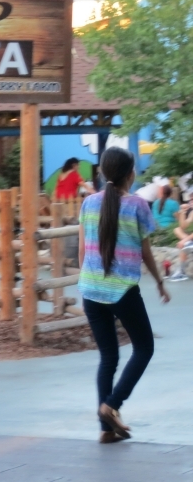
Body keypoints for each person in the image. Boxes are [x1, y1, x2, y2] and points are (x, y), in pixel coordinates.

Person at [78, 146, 168, 443]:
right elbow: (144, 252)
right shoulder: (138, 205)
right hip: (122, 290)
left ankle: (106, 430)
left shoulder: (89, 203)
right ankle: (112, 405)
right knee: (144, 348)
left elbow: (82, 252)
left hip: (91, 288)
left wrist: (90, 281)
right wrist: (159, 282)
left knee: (108, 356)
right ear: (132, 174)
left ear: (102, 172)